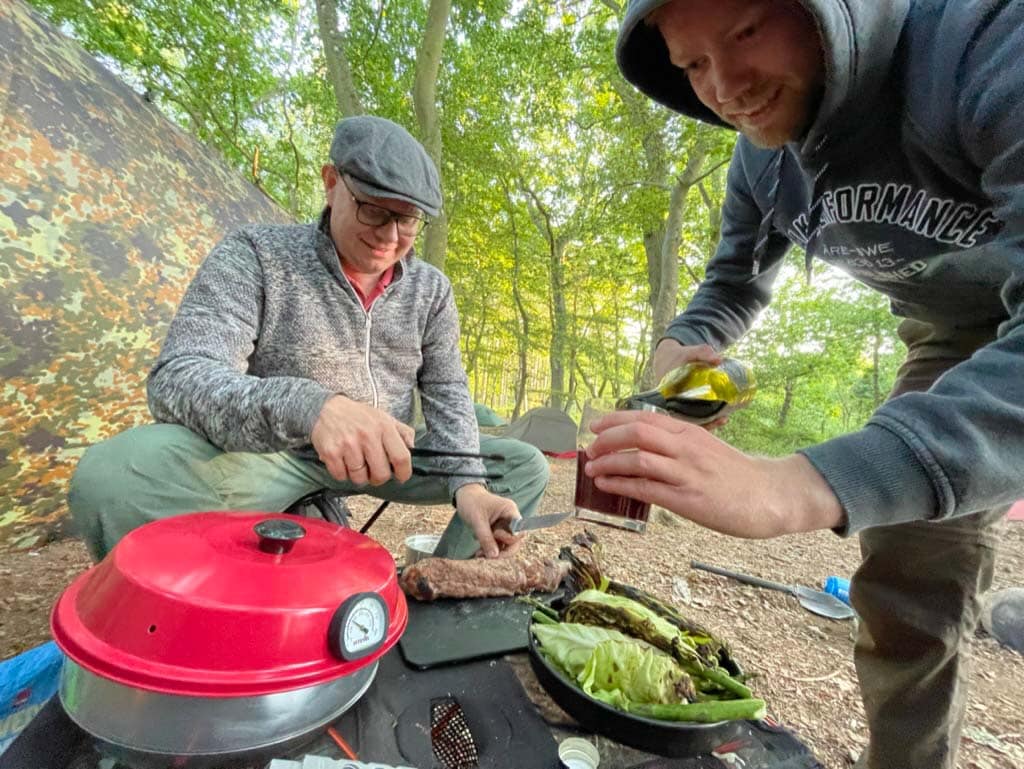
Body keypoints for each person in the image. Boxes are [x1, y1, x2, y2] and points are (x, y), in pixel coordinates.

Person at [590, 2, 1024, 768]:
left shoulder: (985, 43)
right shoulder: (759, 157)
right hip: (951, 330)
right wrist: (682, 359)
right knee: (907, 581)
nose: (725, 87)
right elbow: (730, 284)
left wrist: (801, 483)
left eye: (747, 32)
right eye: (692, 64)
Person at [69, 115, 549, 563]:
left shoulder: (430, 290)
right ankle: (180, 619)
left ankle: (444, 590)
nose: (389, 236)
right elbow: (178, 377)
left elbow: (447, 391)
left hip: (395, 459)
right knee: (114, 476)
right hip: (282, 456)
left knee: (523, 467)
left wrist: (468, 484)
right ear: (331, 182)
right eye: (374, 211)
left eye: (408, 221)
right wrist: (312, 407)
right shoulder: (257, 255)